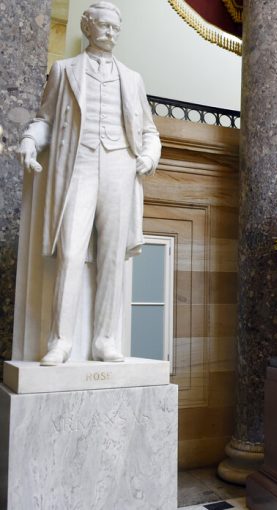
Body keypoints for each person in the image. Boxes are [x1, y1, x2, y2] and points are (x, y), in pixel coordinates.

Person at [17, 2, 161, 365]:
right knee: (70, 253)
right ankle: (61, 340)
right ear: (87, 26)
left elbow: (148, 131)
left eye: (116, 28)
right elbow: (45, 119)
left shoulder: (132, 78)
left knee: (112, 257)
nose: (111, 33)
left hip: (119, 165)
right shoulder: (64, 71)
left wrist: (148, 156)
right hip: (77, 165)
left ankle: (104, 340)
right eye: (105, 26)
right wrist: (31, 141)